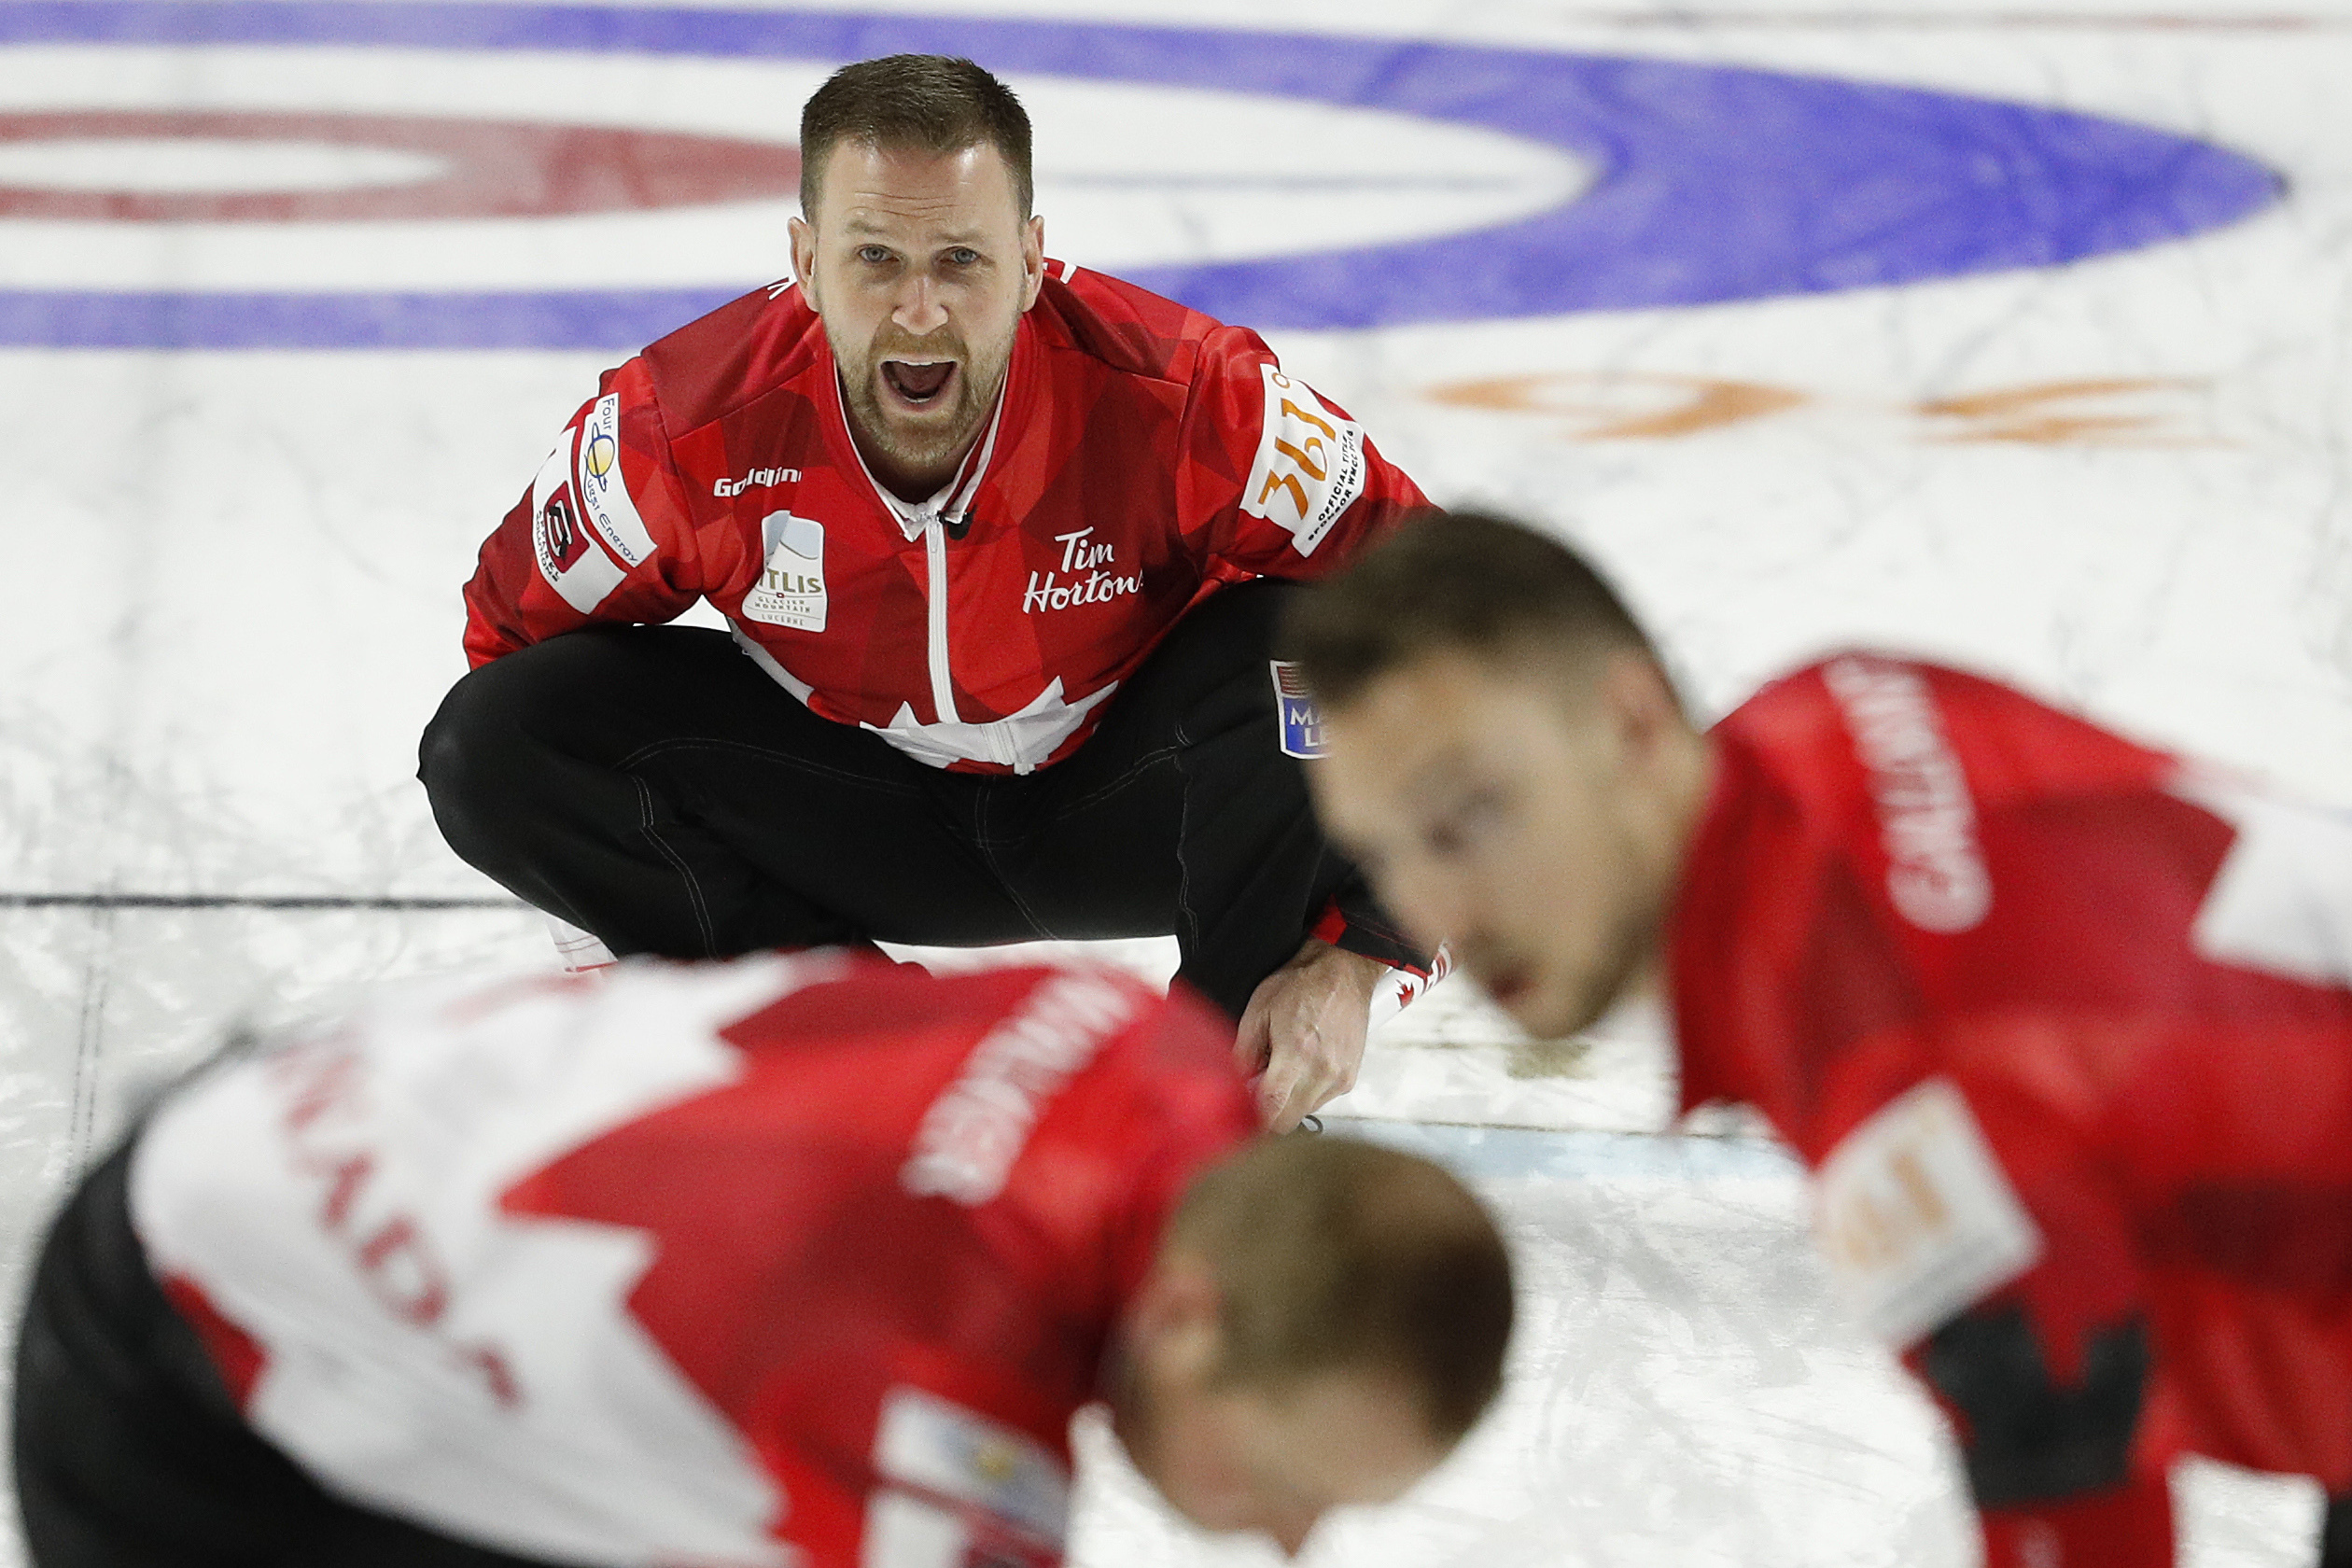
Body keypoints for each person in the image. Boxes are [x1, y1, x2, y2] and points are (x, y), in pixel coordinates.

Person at [1285, 508, 2352, 1568]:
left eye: (1466, 816)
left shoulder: (1895, 1084)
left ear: (1632, 723)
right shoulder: (1835, 706)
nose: (1434, 913)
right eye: (1384, 852)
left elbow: (2078, 1508)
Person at [415, 53, 1439, 1134]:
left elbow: (1480, 636)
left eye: (961, 259)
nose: (919, 312)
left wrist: (1369, 953)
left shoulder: (1194, 399)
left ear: (1035, 260)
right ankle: (868, 1067)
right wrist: (607, 940)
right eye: (875, 259)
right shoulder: (677, 434)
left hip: (1139, 810)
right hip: (857, 817)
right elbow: (510, 646)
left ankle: (1198, 1129)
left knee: (1306, 650)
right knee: (495, 739)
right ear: (804, 264)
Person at [11, 951, 1513, 1568]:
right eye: (1293, 1484)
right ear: (1188, 1320)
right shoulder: (930, 1414)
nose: (1289, 1542)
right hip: (186, 1378)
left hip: (310, 1119)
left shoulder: (1162, 1057)